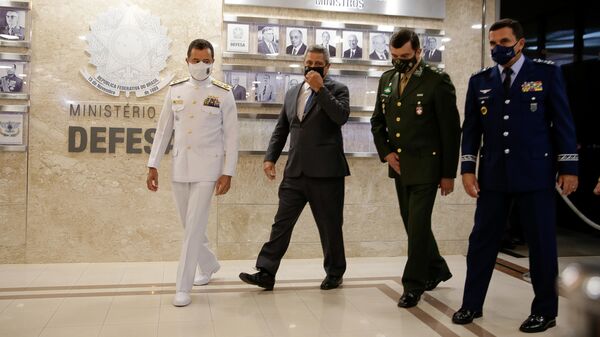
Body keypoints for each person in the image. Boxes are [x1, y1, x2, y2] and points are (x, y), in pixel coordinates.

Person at [453, 19, 579, 333]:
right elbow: (471, 131)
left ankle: (545, 311)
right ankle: (471, 304)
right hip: (493, 176)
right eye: (493, 43)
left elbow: (563, 123)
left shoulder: (546, 73)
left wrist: (569, 168)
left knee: (541, 245)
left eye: (504, 41)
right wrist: (467, 169)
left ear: (520, 43)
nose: (498, 48)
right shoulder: (480, 80)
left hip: (535, 174)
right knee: (481, 242)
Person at [239, 44, 350, 291]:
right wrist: (270, 158)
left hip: (327, 173)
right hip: (295, 172)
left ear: (327, 67)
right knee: (281, 224)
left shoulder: (338, 89)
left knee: (330, 226)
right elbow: (282, 128)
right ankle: (266, 271)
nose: (311, 68)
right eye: (308, 64)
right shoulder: (292, 92)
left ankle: (335, 272)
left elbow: (340, 117)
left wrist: (320, 90)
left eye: (317, 65)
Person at [370, 29, 461, 308]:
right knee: (412, 222)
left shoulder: (437, 81)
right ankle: (438, 269)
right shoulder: (387, 79)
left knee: (418, 224)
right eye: (395, 56)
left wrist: (448, 174)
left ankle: (413, 285)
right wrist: (386, 154)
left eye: (406, 56)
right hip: (400, 166)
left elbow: (450, 131)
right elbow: (377, 122)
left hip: (428, 165)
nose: (399, 61)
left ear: (419, 53)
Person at [146, 39, 239, 307]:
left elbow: (232, 137)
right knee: (190, 226)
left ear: (213, 61)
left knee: (193, 228)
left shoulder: (223, 93)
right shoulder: (175, 90)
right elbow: (163, 130)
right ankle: (209, 264)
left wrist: (228, 172)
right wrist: (152, 164)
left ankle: (183, 287)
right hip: (180, 166)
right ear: (187, 61)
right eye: (196, 60)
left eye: (206, 60)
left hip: (208, 170)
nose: (201, 65)